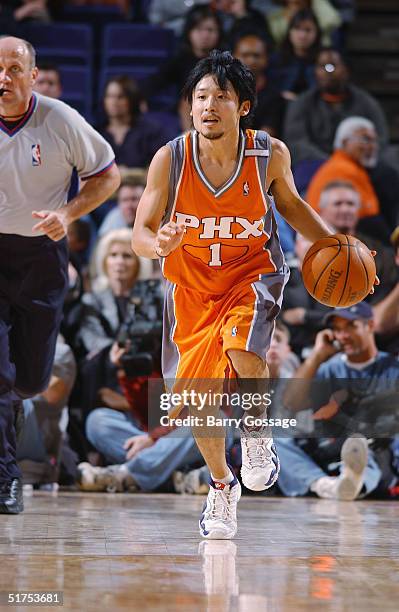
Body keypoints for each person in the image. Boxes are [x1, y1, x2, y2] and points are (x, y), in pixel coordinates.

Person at [132, 49, 344, 540]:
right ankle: (223, 486)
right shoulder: (171, 158)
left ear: (243, 106)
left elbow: (291, 205)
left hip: (252, 273)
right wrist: (155, 243)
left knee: (242, 346)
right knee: (198, 402)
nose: (208, 105)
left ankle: (255, 432)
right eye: (200, 97)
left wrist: (335, 243)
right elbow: (142, 230)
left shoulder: (269, 153)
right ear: (190, 106)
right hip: (190, 288)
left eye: (220, 97)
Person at [0, 36, 120, 514]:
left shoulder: (60, 120)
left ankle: (14, 410)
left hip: (41, 258)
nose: (3, 78)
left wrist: (68, 215)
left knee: (28, 380)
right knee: (0, 375)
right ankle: (7, 477)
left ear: (33, 75)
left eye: (14, 68)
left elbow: (108, 176)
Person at [279, 302, 399, 500]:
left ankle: (353, 483)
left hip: (374, 449)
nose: (343, 336)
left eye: (351, 326)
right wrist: (316, 356)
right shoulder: (329, 368)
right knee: (275, 439)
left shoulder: (392, 368)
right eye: (337, 329)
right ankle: (324, 485)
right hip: (330, 445)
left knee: (367, 447)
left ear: (370, 325)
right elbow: (291, 403)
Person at [283, 48, 389, 166]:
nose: (327, 71)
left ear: (346, 70)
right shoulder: (301, 103)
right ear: (315, 72)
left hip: (358, 163)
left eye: (332, 66)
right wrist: (333, 163)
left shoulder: (366, 103)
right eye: (322, 66)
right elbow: (297, 143)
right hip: (315, 165)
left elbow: (381, 139)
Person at [306, 117, 399, 236]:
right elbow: (369, 212)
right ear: (345, 142)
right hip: (329, 233)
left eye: (374, 141)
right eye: (366, 139)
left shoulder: (346, 166)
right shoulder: (345, 169)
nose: (372, 146)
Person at [99, 75, 170, 172]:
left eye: (120, 97)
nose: (114, 102)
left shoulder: (151, 132)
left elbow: (162, 168)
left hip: (141, 186)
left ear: (131, 100)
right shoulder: (96, 133)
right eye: (110, 96)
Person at [232, 31, 283, 135]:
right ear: (234, 57)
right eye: (245, 55)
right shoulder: (223, 90)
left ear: (266, 59)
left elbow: (265, 137)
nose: (251, 60)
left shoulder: (274, 96)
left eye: (256, 56)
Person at [268, 9, 321, 100]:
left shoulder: (322, 59)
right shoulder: (276, 59)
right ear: (290, 32)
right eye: (297, 28)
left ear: (316, 33)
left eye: (308, 30)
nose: (302, 35)